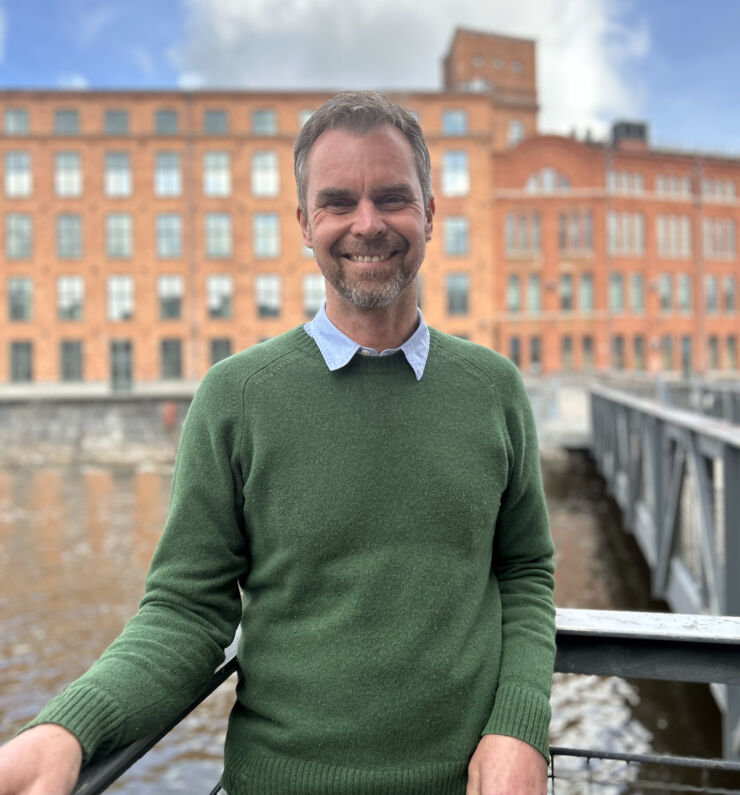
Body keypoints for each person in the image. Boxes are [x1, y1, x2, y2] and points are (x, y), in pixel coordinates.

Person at [0, 91, 555, 795]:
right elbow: (187, 611)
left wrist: (520, 724)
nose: (367, 223)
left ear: (430, 213)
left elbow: (527, 571)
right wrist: (67, 728)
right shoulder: (236, 397)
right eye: (337, 202)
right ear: (303, 223)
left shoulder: (493, 388)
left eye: (392, 197)